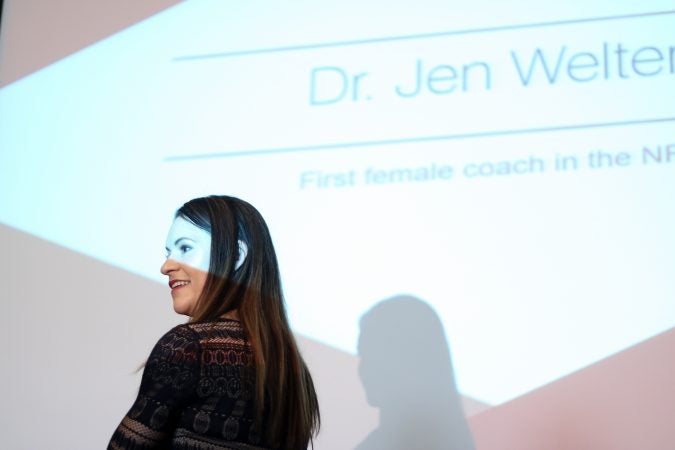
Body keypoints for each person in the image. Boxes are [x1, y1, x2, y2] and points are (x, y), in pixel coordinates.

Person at [108, 195, 320, 450]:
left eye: (185, 248)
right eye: (168, 253)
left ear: (236, 255)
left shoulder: (189, 346)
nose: (166, 266)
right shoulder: (290, 365)